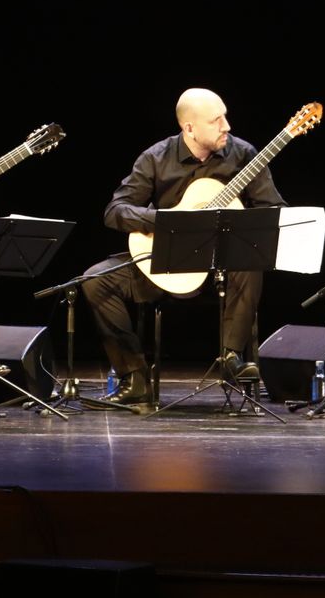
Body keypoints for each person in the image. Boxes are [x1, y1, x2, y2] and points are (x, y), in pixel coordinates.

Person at [84, 88, 286, 407]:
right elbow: (116, 210)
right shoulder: (156, 158)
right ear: (189, 128)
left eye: (225, 116)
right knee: (96, 281)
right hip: (167, 263)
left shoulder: (245, 155)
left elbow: (273, 210)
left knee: (252, 257)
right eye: (216, 120)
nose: (227, 126)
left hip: (221, 272)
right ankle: (134, 377)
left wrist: (239, 219)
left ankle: (231, 357)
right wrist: (164, 221)